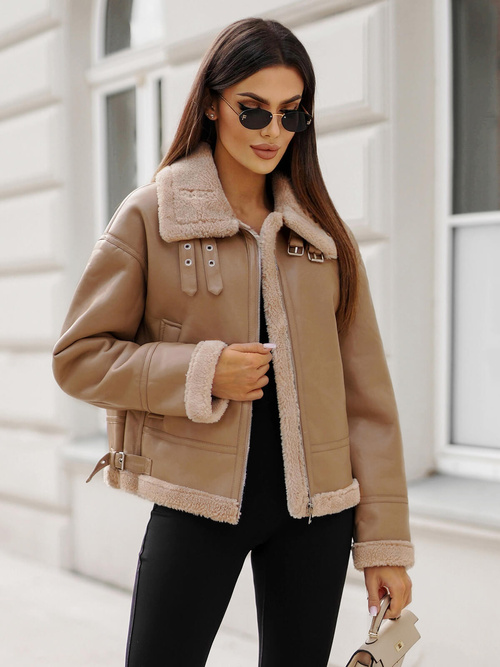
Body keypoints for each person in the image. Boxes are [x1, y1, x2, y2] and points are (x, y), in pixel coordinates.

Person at [52, 16, 413, 667]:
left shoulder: (322, 234)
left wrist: (384, 544)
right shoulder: (151, 216)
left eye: (291, 113)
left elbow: (368, 400)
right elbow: (79, 357)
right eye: (253, 110)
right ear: (214, 103)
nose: (273, 130)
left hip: (318, 515)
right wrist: (203, 371)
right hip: (197, 502)